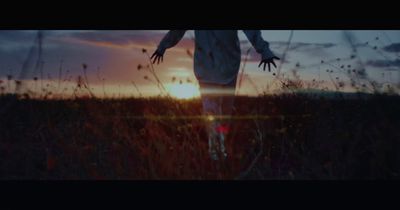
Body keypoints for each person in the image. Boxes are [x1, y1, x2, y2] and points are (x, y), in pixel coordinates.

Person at [151, 30, 279, 161]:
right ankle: (216, 154)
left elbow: (251, 31)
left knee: (224, 115)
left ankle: (221, 151)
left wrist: (264, 50)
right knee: (212, 113)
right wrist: (162, 47)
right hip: (207, 69)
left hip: (228, 68)